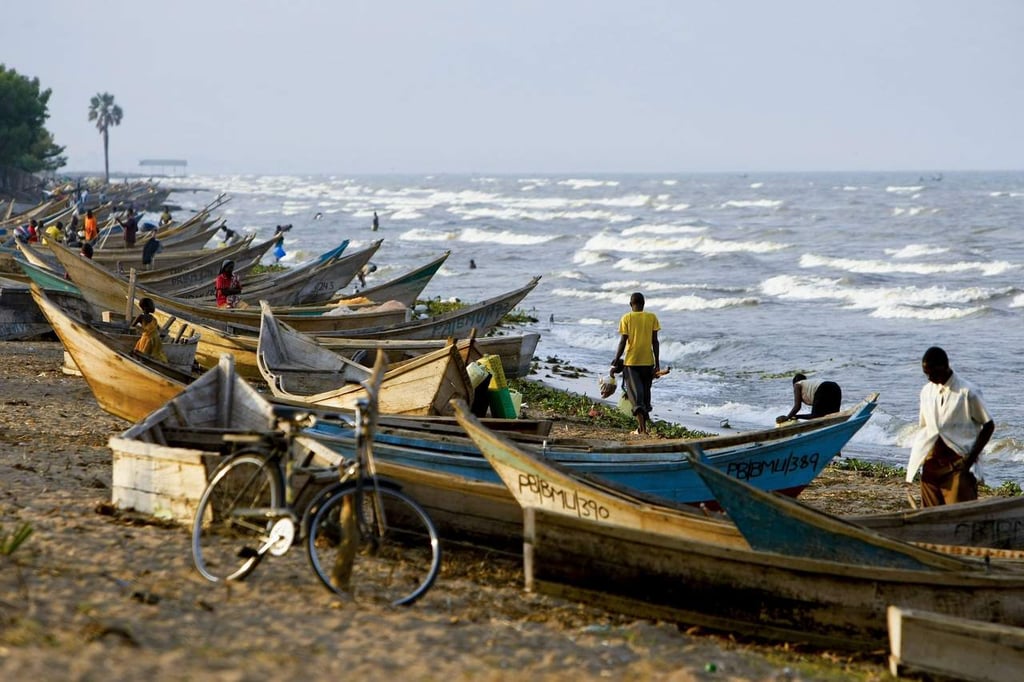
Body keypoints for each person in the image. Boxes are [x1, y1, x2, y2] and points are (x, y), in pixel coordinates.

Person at [906, 346, 994, 507]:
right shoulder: (926, 392)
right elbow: (925, 428)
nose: (929, 378)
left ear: (944, 366)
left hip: (958, 463)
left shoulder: (967, 392)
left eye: (932, 373)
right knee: (931, 517)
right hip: (931, 464)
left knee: (960, 514)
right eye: (926, 373)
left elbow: (988, 425)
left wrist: (969, 460)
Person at [611, 292, 661, 435]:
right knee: (645, 394)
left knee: (636, 397)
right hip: (648, 362)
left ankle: (642, 429)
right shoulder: (652, 317)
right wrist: (657, 364)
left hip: (632, 363)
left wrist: (617, 358)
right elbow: (655, 342)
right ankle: (643, 427)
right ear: (644, 304)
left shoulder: (626, 318)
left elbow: (623, 340)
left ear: (630, 304)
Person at [776, 373, 842, 423]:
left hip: (824, 388)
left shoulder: (797, 385)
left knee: (815, 416)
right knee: (833, 415)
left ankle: (796, 417)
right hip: (835, 387)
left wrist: (788, 417)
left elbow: (797, 407)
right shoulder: (810, 384)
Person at [130, 297, 167, 362]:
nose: (153, 307)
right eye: (151, 305)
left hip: (155, 340)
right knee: (144, 356)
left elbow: (157, 328)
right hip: (147, 340)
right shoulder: (141, 317)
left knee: (153, 356)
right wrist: (141, 330)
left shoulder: (153, 318)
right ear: (145, 307)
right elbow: (132, 326)